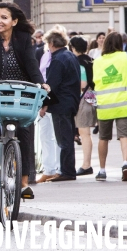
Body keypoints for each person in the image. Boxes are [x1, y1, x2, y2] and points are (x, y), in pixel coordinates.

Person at [0, 2, 49, 199]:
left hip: (17, 96)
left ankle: (23, 182)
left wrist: (41, 84)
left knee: (24, 129)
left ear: (14, 21)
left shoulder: (22, 39)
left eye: (4, 17)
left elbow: (31, 64)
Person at [92, 32, 127, 182]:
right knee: (124, 135)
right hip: (124, 104)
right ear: (121, 43)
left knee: (103, 138)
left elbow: (95, 82)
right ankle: (125, 163)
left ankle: (102, 170)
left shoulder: (98, 61)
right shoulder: (126, 57)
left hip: (104, 105)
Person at [38, 29, 80, 182]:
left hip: (61, 103)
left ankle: (66, 171)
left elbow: (51, 85)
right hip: (71, 101)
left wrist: (44, 105)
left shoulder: (57, 59)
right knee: (67, 137)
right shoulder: (70, 56)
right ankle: (67, 170)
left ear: (51, 43)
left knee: (63, 140)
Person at [35, 32, 61, 183]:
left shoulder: (57, 57)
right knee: (45, 135)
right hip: (43, 97)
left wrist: (45, 103)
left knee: (55, 135)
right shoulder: (45, 55)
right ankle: (49, 168)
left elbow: (52, 80)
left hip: (51, 99)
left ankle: (56, 168)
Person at [69, 36, 97, 176]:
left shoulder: (78, 62)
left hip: (83, 98)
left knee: (84, 133)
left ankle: (86, 164)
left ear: (73, 48)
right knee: (86, 133)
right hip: (92, 96)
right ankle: (87, 164)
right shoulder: (91, 60)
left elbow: (83, 84)